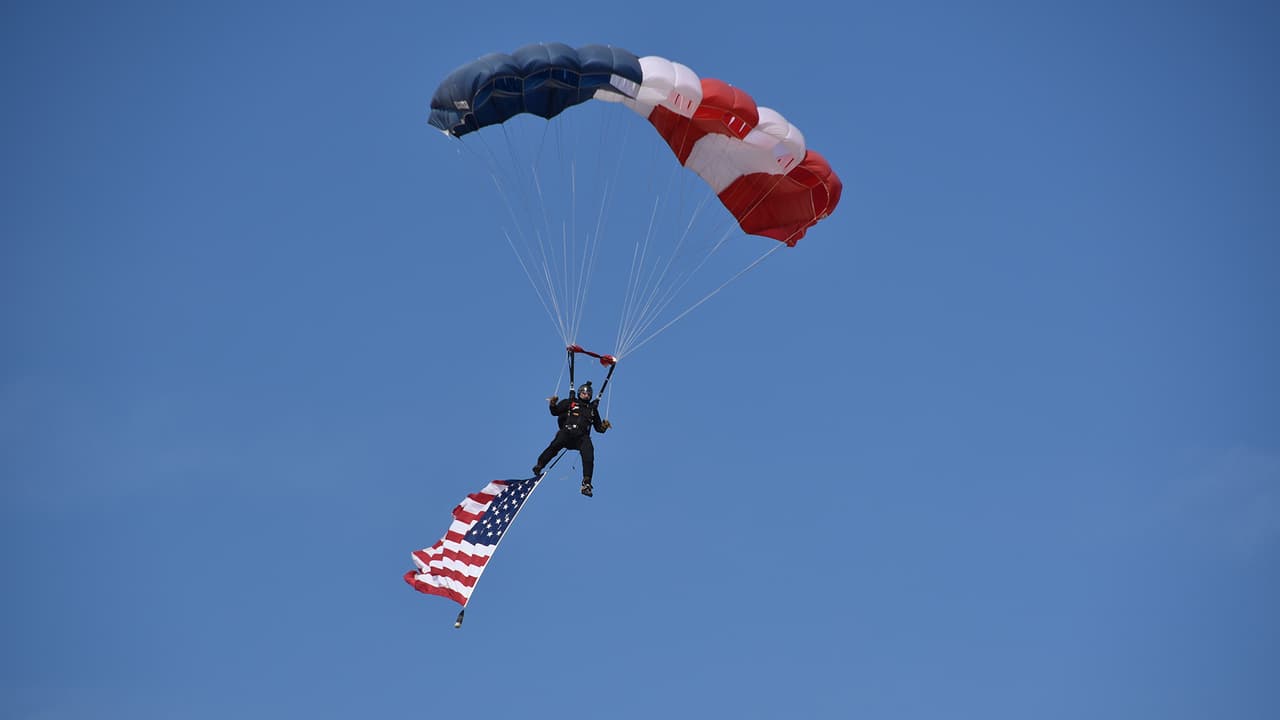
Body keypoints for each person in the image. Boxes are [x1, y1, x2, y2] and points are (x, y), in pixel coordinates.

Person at [532, 381, 611, 496]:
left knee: (589, 453)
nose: (586, 395)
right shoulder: (570, 402)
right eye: (584, 393)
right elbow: (555, 412)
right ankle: (540, 465)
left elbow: (598, 428)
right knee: (555, 445)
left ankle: (586, 483)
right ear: (579, 393)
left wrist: (604, 426)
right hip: (567, 432)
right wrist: (553, 404)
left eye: (589, 394)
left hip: (582, 437)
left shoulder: (592, 409)